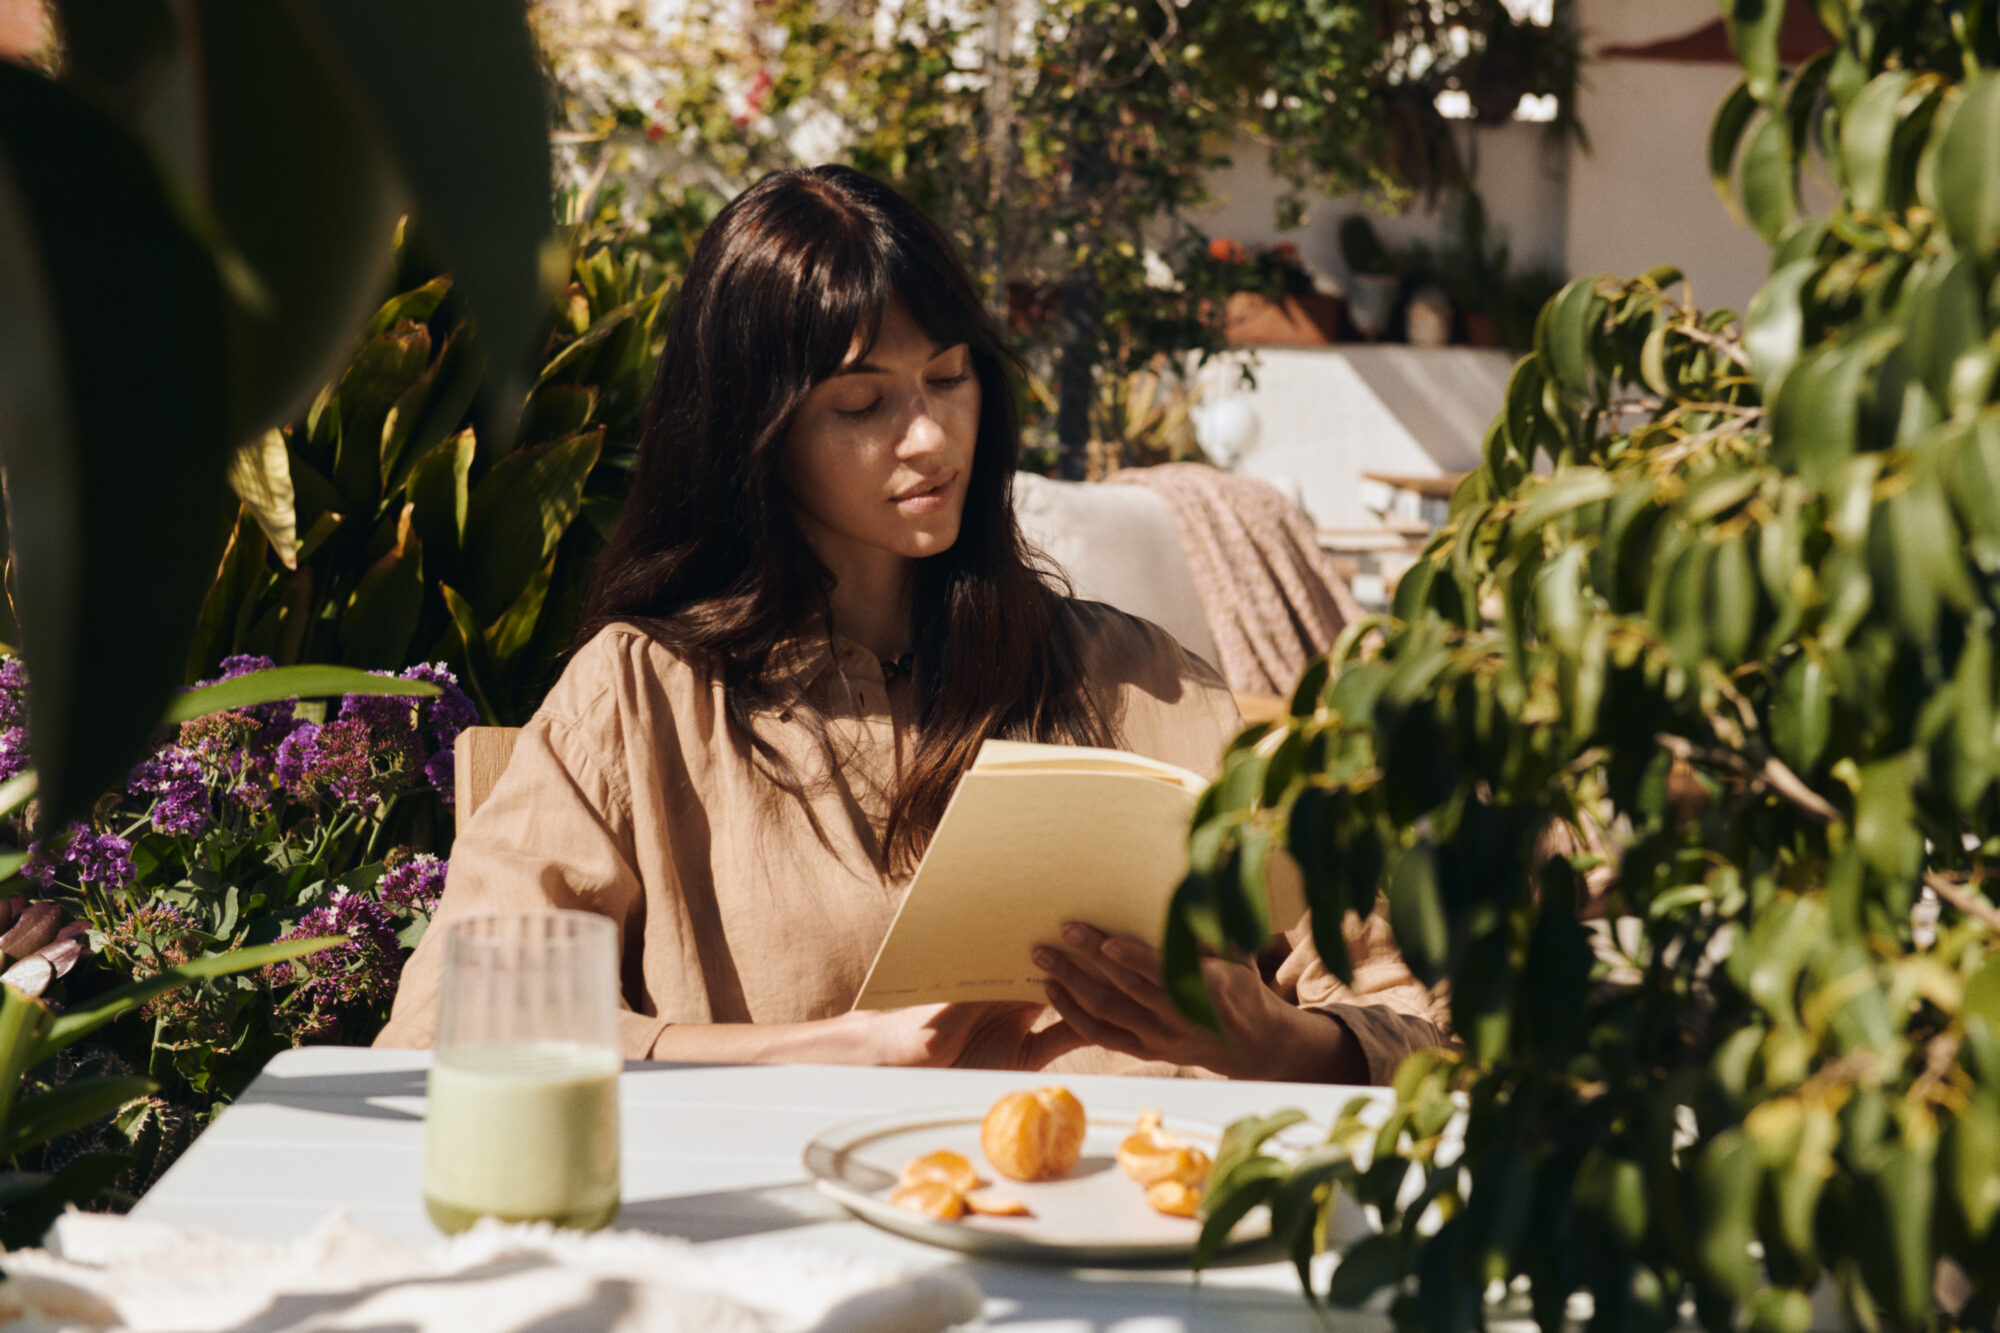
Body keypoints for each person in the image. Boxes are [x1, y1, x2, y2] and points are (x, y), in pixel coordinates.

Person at [376, 165, 1448, 1082]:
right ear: (755, 432)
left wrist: (1272, 1043)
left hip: (1131, 1262)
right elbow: (450, 1028)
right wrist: (803, 1053)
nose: (930, 436)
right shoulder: (642, 697)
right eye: (861, 404)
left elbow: (1429, 1018)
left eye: (949, 377)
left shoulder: (1131, 679)